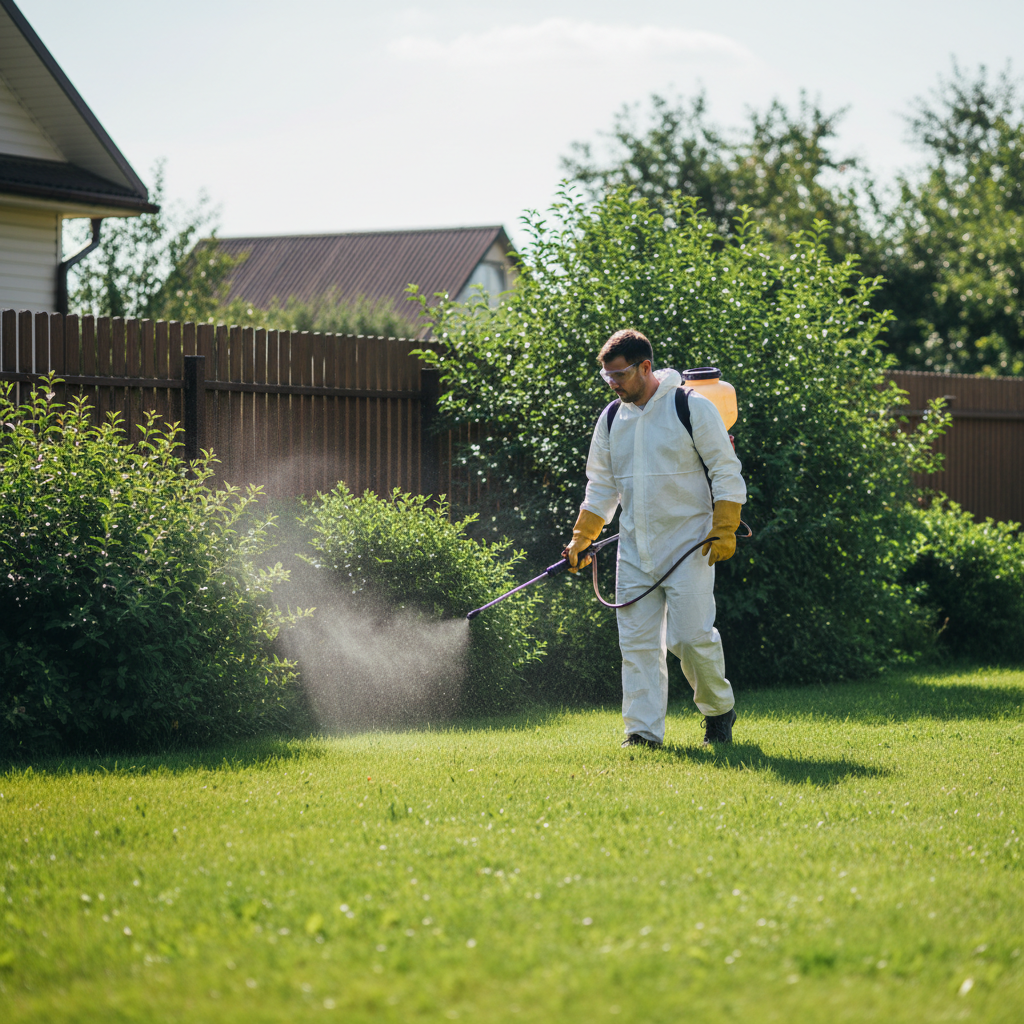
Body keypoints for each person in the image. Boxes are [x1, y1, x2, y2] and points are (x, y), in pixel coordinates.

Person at [563, 329, 746, 748]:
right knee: (638, 646)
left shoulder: (690, 407)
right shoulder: (612, 418)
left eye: (620, 375)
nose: (613, 384)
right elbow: (601, 487)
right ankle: (642, 733)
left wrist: (725, 527)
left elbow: (725, 469)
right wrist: (582, 537)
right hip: (635, 552)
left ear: (646, 367)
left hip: (690, 547)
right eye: (607, 377)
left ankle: (719, 711)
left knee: (690, 640)